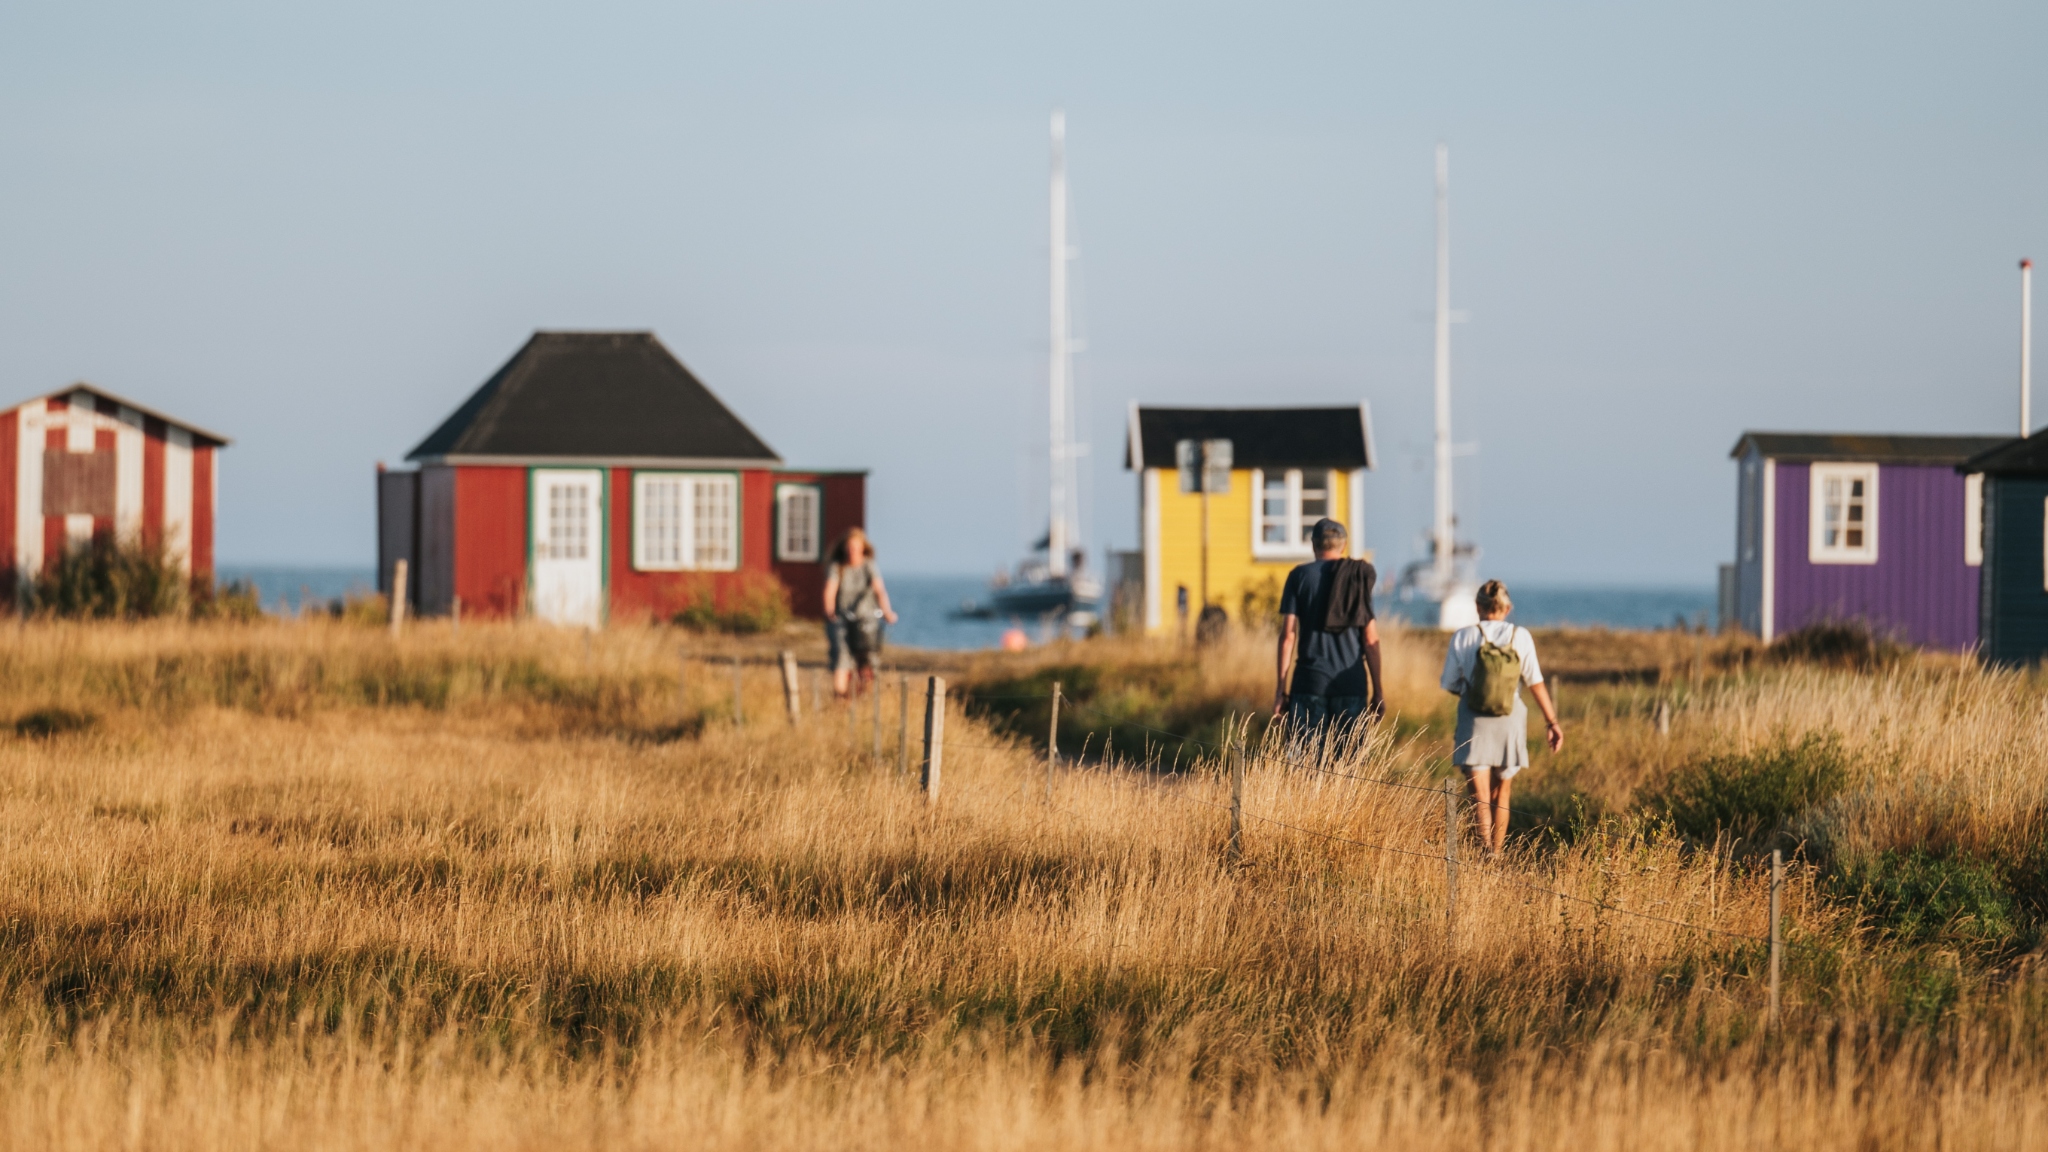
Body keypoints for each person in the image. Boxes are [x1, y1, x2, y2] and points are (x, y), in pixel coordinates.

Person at [1438, 579, 1563, 855]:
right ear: (1507, 609)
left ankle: (1485, 856)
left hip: (1475, 719)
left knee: (1479, 797)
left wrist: (1471, 692)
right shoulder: (1521, 636)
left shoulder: (1463, 636)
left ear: (1478, 607)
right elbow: (1535, 683)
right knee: (1501, 794)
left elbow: (1448, 682)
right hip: (1510, 719)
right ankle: (1497, 853)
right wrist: (1552, 722)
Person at [1271, 518, 1384, 735]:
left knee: (1304, 763)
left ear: (1313, 544)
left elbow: (1288, 636)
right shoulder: (1357, 577)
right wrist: (1378, 692)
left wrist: (1280, 690)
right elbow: (1370, 640)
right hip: (1351, 684)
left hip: (1309, 682)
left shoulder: (1299, 577)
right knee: (1347, 765)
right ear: (1343, 545)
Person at [823, 528, 897, 700]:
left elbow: (880, 590)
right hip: (842, 619)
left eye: (856, 546)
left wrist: (887, 612)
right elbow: (830, 591)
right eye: (850, 547)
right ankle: (840, 699)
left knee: (868, 659)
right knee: (841, 657)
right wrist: (829, 611)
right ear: (844, 548)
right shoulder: (837, 567)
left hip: (866, 619)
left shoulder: (869, 566)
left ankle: (865, 696)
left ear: (863, 548)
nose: (853, 550)